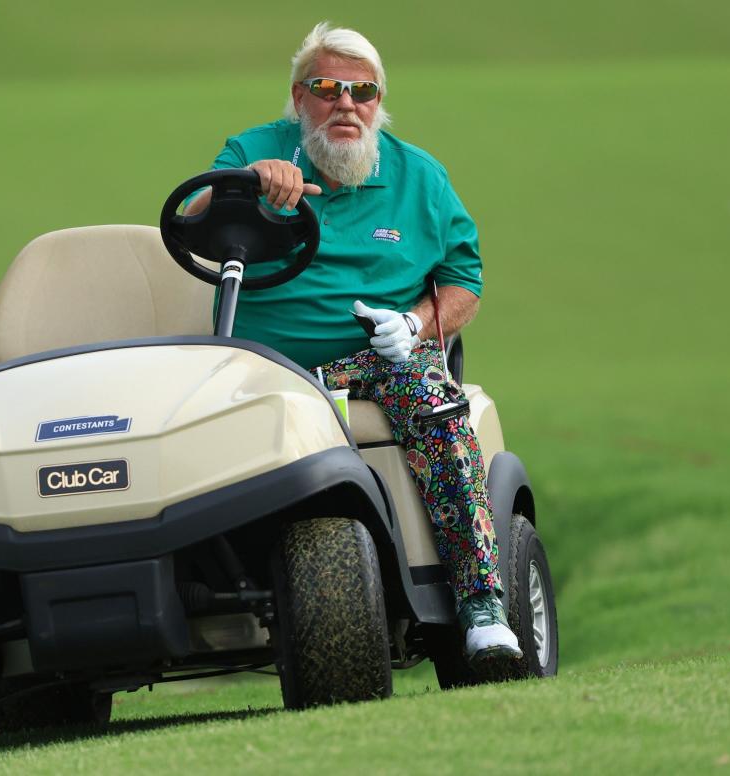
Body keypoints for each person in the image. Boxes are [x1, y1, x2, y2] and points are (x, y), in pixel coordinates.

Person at [187, 21, 522, 664]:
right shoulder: (253, 151)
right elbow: (194, 216)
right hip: (261, 367)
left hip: (375, 360)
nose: (346, 103)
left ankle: (480, 604)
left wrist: (418, 326)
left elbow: (463, 281)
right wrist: (245, 184)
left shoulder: (419, 178)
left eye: (362, 90)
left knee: (426, 389)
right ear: (299, 97)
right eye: (328, 87)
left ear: (378, 101)